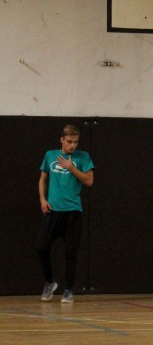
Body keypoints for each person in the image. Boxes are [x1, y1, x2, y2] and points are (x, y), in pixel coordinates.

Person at [37, 124, 94, 303]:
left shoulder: (83, 157)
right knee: (41, 246)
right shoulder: (50, 155)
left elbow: (89, 181)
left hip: (73, 212)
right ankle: (50, 282)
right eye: (69, 141)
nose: (72, 145)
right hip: (53, 211)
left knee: (71, 252)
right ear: (62, 140)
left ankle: (68, 290)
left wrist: (72, 168)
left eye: (75, 142)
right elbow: (42, 179)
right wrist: (42, 200)